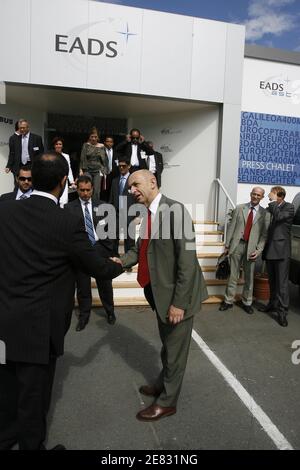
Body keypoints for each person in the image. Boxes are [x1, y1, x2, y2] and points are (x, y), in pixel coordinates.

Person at [0, 152, 123, 450]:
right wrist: (122, 263)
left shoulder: (4, 211)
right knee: (33, 399)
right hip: (38, 330)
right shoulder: (67, 222)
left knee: (5, 394)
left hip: (4, 321)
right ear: (63, 181)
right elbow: (96, 267)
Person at [111, 170, 208, 421]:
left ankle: (167, 402)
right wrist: (119, 261)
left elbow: (187, 262)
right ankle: (163, 382)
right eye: (130, 186)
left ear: (152, 182)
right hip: (158, 294)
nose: (132, 190)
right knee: (168, 345)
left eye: (136, 184)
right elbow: (138, 252)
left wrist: (179, 303)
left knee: (175, 351)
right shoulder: (143, 215)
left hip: (177, 297)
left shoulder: (177, 211)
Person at [65, 175, 117, 329]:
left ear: (93, 189)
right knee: (82, 285)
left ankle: (110, 311)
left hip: (100, 249)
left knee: (105, 283)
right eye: (82, 190)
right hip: (81, 252)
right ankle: (84, 315)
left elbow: (111, 231)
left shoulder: (104, 206)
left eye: (88, 190)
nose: (85, 193)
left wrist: (110, 251)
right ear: (77, 189)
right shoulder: (69, 208)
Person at [219, 187, 269, 314]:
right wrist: (227, 245)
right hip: (237, 245)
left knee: (249, 277)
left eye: (258, 195)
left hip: (251, 249)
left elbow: (264, 234)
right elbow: (232, 227)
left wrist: (258, 250)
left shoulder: (265, 214)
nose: (255, 196)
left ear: (262, 197)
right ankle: (228, 300)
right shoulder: (240, 208)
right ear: (250, 194)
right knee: (233, 275)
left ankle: (247, 302)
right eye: (254, 194)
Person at [259, 186, 294, 327]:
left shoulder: (289, 207)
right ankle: (272, 304)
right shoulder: (271, 207)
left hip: (281, 252)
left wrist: (273, 202)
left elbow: (279, 217)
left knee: (282, 284)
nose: (269, 195)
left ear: (279, 195)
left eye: (271, 193)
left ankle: (282, 312)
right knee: (272, 281)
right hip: (270, 250)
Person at [109, 157, 136, 254]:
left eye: (124, 166)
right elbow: (112, 198)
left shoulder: (134, 181)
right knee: (114, 240)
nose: (121, 168)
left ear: (129, 166)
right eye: (119, 166)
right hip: (116, 214)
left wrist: (136, 215)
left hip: (129, 214)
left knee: (129, 241)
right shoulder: (115, 181)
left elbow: (137, 199)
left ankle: (129, 262)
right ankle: (116, 263)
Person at [79, 127, 107, 201]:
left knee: (97, 191)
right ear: (89, 137)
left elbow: (104, 160)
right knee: (87, 188)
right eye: (92, 137)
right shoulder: (86, 145)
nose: (94, 138)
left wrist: (104, 171)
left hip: (98, 170)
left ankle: (95, 206)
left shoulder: (102, 146)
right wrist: (81, 170)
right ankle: (86, 204)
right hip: (87, 170)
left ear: (98, 137)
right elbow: (82, 158)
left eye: (95, 137)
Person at [52, 137, 76, 207]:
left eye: (60, 144)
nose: (58, 146)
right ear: (54, 145)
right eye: (56, 144)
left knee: (63, 200)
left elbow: (69, 169)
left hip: (63, 179)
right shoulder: (50, 155)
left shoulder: (66, 156)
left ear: (62, 146)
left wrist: (72, 181)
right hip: (53, 179)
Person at [101, 136, 119, 202]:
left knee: (113, 191)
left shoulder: (116, 153)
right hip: (104, 174)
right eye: (107, 141)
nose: (109, 143)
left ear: (113, 143)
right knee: (104, 191)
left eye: (111, 142)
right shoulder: (101, 152)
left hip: (114, 174)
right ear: (104, 142)